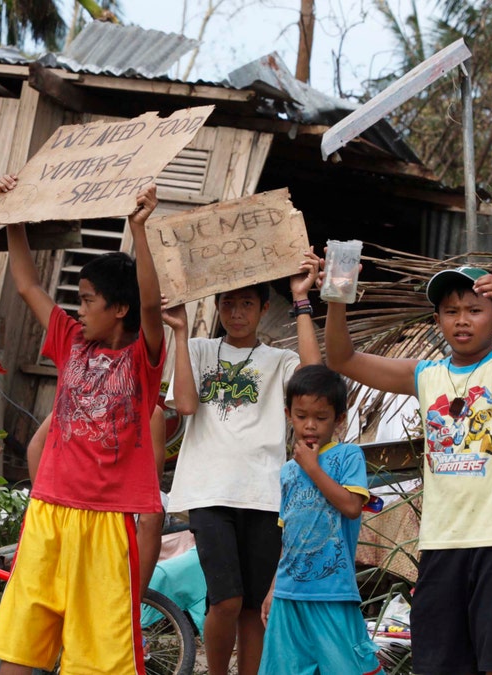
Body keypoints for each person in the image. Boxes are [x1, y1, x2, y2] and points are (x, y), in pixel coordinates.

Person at [325, 265, 492, 675]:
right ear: (437, 321)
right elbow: (342, 357)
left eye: (475, 310)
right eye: (451, 312)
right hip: (440, 544)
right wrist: (337, 295)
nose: (462, 320)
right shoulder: (425, 375)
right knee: (440, 664)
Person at [0, 174, 165, 674]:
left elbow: (152, 306)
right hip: (48, 512)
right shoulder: (70, 342)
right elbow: (26, 283)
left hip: (107, 523)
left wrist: (141, 230)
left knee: (98, 663)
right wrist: (14, 213)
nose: (78, 308)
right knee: (19, 651)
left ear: (119, 308)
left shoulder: (142, 359)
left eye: (88, 299)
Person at [161, 261, 321, 675]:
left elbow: (316, 377)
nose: (236, 313)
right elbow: (185, 406)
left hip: (266, 495)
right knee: (226, 600)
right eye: (228, 303)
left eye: (246, 304)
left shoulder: (279, 360)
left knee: (253, 608)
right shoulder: (195, 349)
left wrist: (302, 298)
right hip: (208, 492)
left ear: (263, 307)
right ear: (216, 307)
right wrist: (179, 332)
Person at [258, 364, 382, 675]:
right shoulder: (288, 471)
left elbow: (352, 507)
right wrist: (274, 588)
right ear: (289, 414)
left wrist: (313, 468)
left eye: (321, 417)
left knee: (347, 668)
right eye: (301, 416)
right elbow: (289, 538)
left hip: (332, 590)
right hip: (289, 592)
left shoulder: (348, 456)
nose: (310, 425)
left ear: (339, 418)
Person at [27, 405, 167, 591]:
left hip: (120, 510)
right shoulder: (77, 401)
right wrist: (47, 501)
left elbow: (151, 483)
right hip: (71, 508)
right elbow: (36, 446)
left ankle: (132, 600)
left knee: (153, 513)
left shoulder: (150, 413)